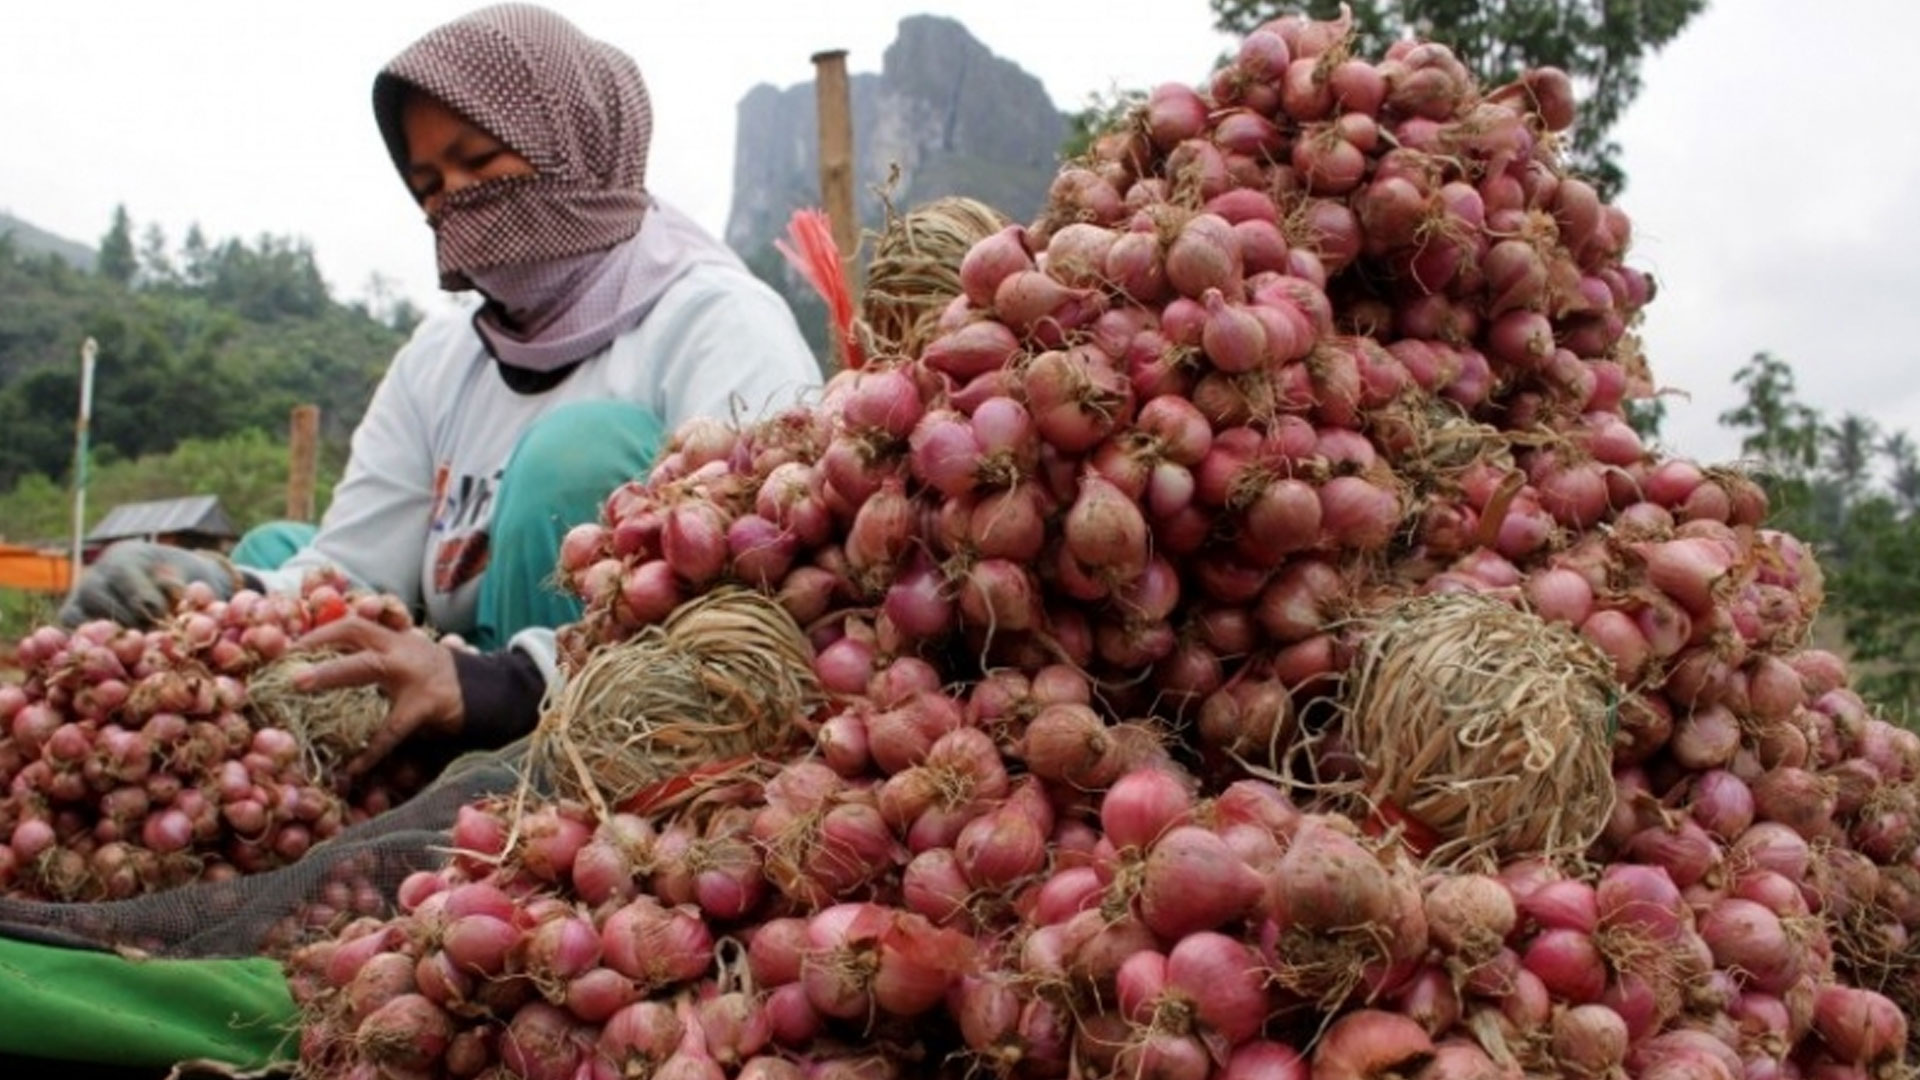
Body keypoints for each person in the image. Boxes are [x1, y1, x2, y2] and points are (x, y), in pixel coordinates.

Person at [60, 3, 822, 778]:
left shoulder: (716, 319)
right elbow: (351, 565)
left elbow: (763, 588)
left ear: (578, 143)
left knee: (576, 453)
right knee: (269, 553)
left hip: (638, 727)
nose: (452, 201)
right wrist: (221, 586)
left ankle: (543, 772)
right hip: (460, 684)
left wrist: (500, 684)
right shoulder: (442, 356)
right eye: (429, 183)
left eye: (480, 162)